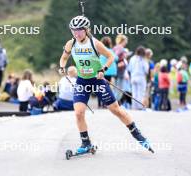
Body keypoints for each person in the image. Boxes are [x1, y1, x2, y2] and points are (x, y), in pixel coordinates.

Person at [59, 16, 152, 154]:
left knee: (116, 110)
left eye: (79, 30)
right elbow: (64, 58)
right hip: (82, 81)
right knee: (78, 113)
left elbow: (111, 56)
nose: (76, 33)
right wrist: (61, 67)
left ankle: (137, 134)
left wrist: (103, 70)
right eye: (73, 30)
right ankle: (86, 143)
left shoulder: (95, 43)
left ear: (86, 30)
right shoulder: (70, 43)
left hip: (97, 80)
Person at [98, 36, 118, 108]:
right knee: (108, 88)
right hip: (110, 72)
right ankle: (107, 102)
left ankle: (100, 103)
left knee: (101, 87)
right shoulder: (110, 51)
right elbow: (116, 58)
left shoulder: (99, 51)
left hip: (101, 71)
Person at [113, 34, 128, 100]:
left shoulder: (115, 47)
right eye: (125, 41)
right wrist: (118, 63)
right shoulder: (120, 48)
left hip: (117, 70)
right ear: (123, 41)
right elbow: (115, 56)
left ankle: (114, 102)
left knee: (116, 87)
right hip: (120, 70)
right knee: (119, 88)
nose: (126, 43)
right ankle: (115, 102)